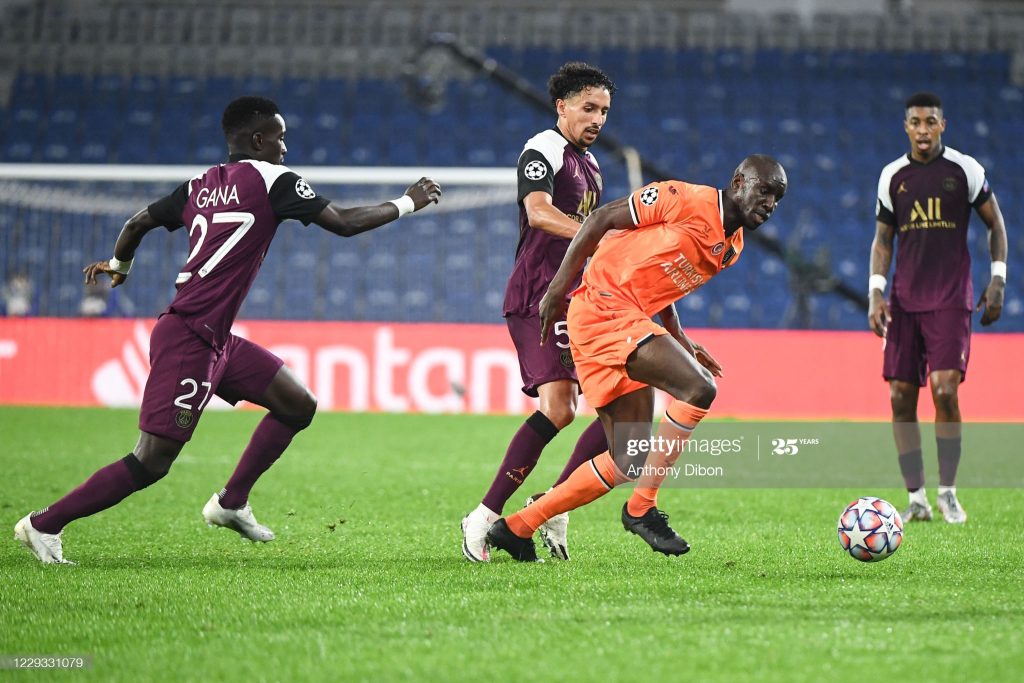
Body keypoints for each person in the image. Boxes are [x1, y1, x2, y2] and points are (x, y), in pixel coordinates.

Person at [14, 96, 442, 564]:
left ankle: (231, 502)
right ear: (258, 140)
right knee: (152, 461)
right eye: (279, 137)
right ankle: (42, 524)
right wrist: (407, 202)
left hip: (213, 337)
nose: (285, 145)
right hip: (189, 338)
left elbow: (137, 222)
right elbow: (341, 223)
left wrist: (120, 265)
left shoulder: (199, 184)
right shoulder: (274, 180)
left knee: (297, 405)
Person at [486, 155, 787, 561]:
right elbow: (600, 220)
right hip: (603, 307)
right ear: (738, 182)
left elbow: (664, 280)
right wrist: (558, 288)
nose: (769, 203)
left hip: (623, 320)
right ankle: (640, 510)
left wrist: (679, 335)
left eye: (777, 198)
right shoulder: (682, 197)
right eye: (764, 190)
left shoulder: (731, 248)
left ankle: (517, 527)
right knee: (699, 387)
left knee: (628, 459)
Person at [460, 62, 616, 562]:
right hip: (538, 297)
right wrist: (599, 235)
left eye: (604, 111)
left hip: (579, 300)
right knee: (559, 408)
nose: (597, 119)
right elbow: (538, 212)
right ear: (562, 107)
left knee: (620, 411)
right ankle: (483, 517)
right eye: (588, 108)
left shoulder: (591, 166)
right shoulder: (544, 148)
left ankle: (551, 506)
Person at [868, 92, 1007, 524]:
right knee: (900, 396)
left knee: (945, 390)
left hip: (950, 299)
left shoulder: (965, 170)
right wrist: (876, 291)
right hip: (905, 301)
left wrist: (998, 278)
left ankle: (948, 492)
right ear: (906, 127)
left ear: (942, 125)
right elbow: (883, 239)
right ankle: (917, 499)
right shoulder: (892, 176)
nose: (923, 130)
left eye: (931, 122)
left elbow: (995, 224)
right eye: (916, 122)